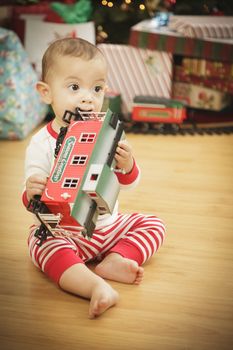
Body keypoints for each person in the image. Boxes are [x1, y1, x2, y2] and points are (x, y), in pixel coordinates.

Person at [22, 37, 165, 319]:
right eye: (74, 87)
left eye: (97, 88)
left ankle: (115, 260)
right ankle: (93, 286)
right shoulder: (41, 143)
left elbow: (129, 183)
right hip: (68, 234)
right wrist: (33, 190)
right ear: (46, 92)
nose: (88, 97)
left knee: (153, 224)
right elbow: (30, 196)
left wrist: (128, 165)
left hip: (110, 227)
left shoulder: (108, 132)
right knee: (39, 241)